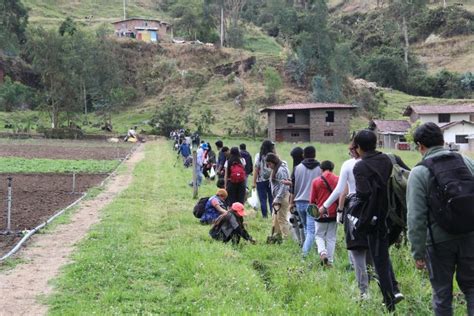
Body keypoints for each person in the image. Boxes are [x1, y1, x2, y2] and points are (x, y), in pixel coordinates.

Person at [407, 122, 474, 316]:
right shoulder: (466, 161)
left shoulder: (419, 173)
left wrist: (417, 252)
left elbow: (415, 217)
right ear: (443, 140)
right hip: (470, 234)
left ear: (420, 146)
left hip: (438, 242)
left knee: (442, 293)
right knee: (472, 288)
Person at [352, 129, 405, 312]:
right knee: (382, 255)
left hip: (376, 218)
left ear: (358, 147)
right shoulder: (390, 158)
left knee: (379, 259)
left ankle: (390, 302)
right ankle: (394, 290)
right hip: (396, 217)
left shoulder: (360, 166)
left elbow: (363, 193)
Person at [323, 141, 370, 298]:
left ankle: (364, 291)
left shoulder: (348, 165)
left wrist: (326, 205)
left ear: (354, 150)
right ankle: (383, 285)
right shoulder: (376, 161)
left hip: (354, 207)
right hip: (375, 207)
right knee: (374, 249)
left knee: (357, 251)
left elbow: (340, 190)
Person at [291, 146, 321, 253]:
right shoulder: (320, 168)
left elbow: (293, 188)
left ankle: (308, 249)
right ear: (315, 154)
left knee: (306, 228)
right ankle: (305, 254)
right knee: (312, 230)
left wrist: (291, 203)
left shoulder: (297, 168)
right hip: (313, 203)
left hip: (299, 202)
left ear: (304, 155)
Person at [310, 161, 338, 265]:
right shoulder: (338, 179)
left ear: (321, 169)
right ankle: (329, 262)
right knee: (331, 237)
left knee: (319, 235)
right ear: (332, 169)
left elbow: (312, 200)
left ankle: (323, 253)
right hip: (334, 213)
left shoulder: (316, 181)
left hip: (320, 212)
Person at [266, 153, 291, 243]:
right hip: (278, 197)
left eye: (269, 164)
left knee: (281, 219)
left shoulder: (281, 170)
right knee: (275, 219)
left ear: (273, 162)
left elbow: (284, 186)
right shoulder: (276, 168)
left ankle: (287, 239)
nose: (269, 166)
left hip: (282, 197)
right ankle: (277, 237)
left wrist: (278, 199)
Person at [252, 140, 275, 218]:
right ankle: (273, 214)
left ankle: (264, 216)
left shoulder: (259, 156)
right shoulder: (273, 156)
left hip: (260, 180)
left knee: (263, 199)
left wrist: (254, 182)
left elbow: (256, 169)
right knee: (271, 198)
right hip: (271, 180)